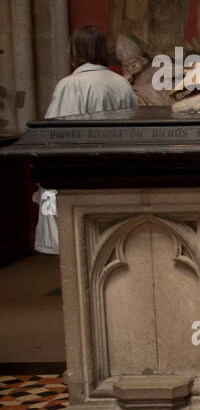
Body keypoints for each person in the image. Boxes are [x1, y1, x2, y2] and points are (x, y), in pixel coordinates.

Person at [35, 27, 140, 255]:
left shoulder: (71, 85)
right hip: (117, 175)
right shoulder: (121, 83)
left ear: (75, 50)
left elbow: (56, 136)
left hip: (80, 177)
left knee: (76, 248)